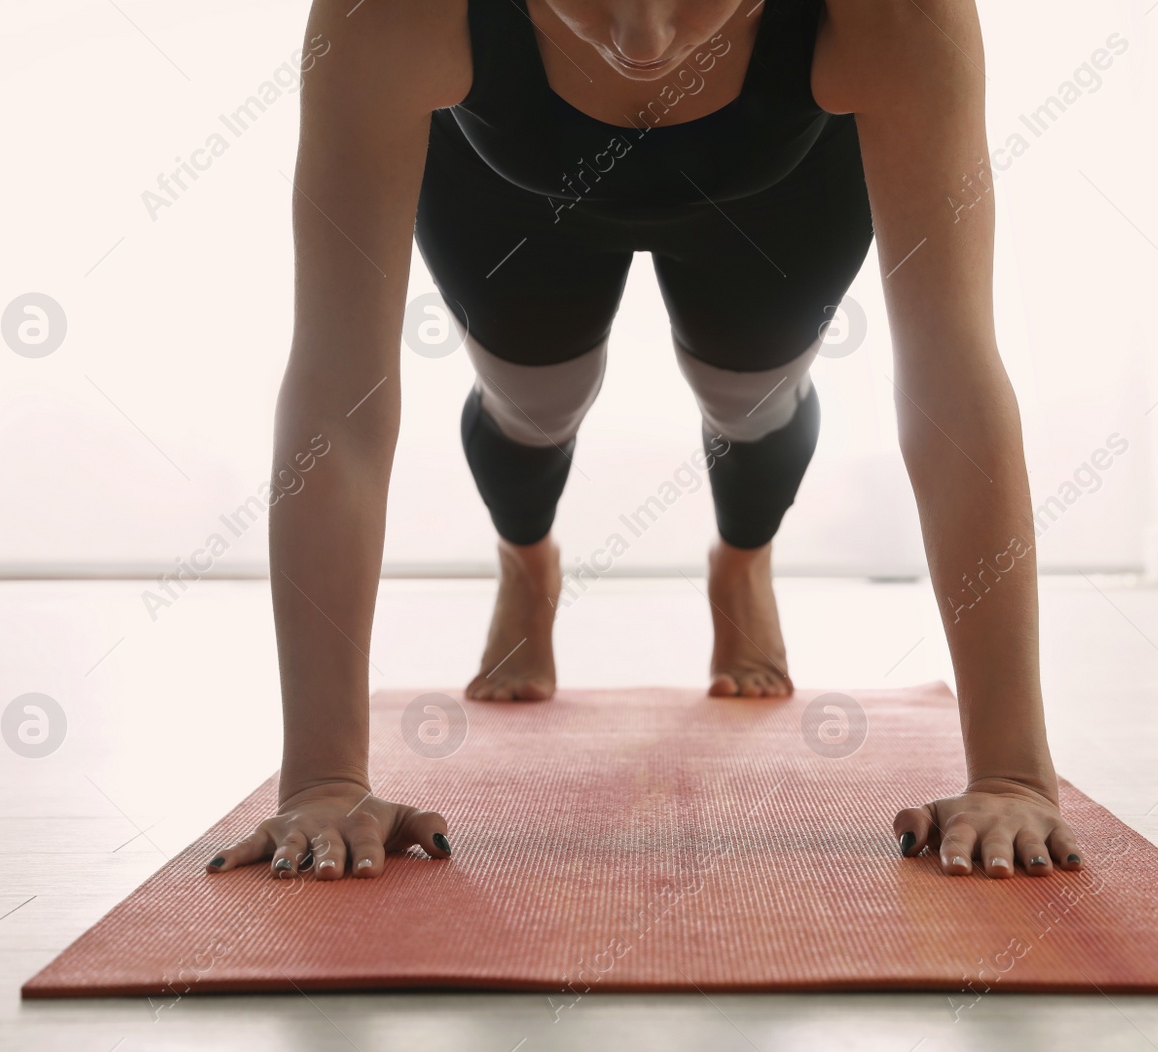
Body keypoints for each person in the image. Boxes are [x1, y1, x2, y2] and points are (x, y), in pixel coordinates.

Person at [206, 0, 1084, 884]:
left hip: (780, 187)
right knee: (533, 403)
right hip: (510, 186)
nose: (643, 43)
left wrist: (1011, 775)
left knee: (751, 404)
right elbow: (338, 398)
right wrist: (323, 778)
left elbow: (952, 381)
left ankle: (742, 561)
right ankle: (527, 559)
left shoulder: (895, 14)